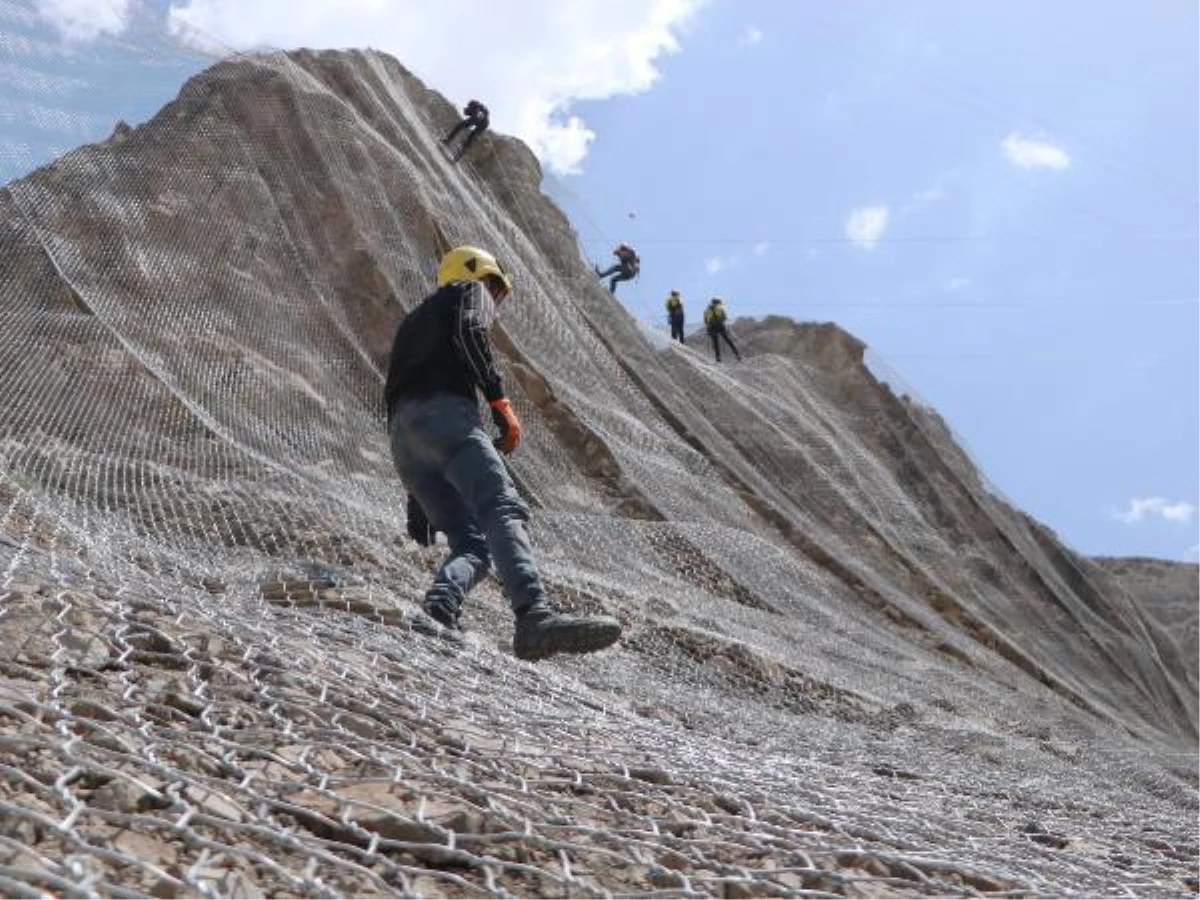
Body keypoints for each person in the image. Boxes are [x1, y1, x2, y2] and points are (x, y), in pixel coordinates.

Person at [385, 245, 622, 661]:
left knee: (472, 546)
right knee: (502, 507)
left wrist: (413, 493)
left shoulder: (411, 323)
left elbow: (393, 394)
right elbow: (472, 330)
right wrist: (499, 402)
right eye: (495, 287)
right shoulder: (468, 291)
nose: (494, 298)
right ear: (479, 274)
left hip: (405, 438)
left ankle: (439, 609)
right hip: (448, 417)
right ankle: (533, 615)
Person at [703, 297, 742, 362]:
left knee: (715, 343)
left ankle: (718, 358)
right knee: (728, 340)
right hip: (720, 326)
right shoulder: (720, 308)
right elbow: (724, 317)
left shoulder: (706, 310)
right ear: (718, 303)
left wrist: (709, 328)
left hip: (711, 327)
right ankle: (737, 354)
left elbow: (705, 321)